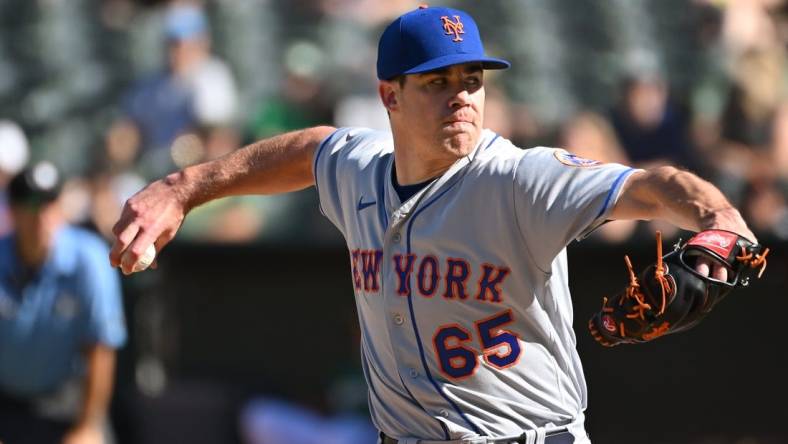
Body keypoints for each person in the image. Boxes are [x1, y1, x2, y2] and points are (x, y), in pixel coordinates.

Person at [110, 6, 756, 443]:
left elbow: (652, 185)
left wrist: (719, 222)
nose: (461, 97)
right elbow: (310, 148)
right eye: (437, 82)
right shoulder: (359, 169)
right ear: (390, 95)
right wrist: (182, 187)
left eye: (471, 80)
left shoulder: (520, 180)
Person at [0, 162, 127, 444]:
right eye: (31, 205)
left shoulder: (90, 259)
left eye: (49, 203)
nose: (41, 216)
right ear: (13, 211)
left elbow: (101, 348)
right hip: (6, 404)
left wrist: (88, 425)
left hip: (67, 404)